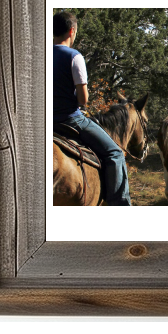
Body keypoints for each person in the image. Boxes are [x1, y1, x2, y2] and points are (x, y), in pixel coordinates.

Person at [53, 11, 131, 205]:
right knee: (115, 153)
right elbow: (83, 99)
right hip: (70, 119)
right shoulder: (74, 56)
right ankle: (119, 206)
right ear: (72, 31)